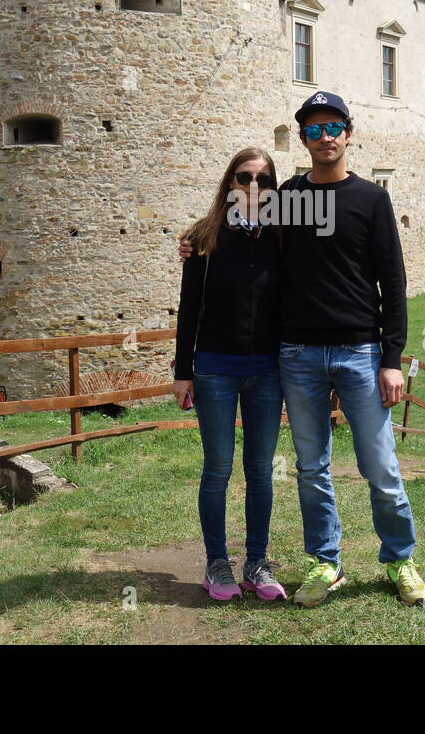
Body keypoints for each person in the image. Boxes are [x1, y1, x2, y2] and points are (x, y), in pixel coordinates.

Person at [180, 92, 425, 608]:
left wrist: (392, 358)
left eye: (333, 127)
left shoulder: (371, 199)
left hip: (361, 352)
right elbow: (233, 221)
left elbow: (393, 279)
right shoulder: (289, 198)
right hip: (296, 354)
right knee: (311, 467)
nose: (325, 138)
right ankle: (326, 561)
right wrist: (193, 239)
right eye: (314, 130)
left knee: (380, 466)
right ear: (303, 140)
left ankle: (400, 559)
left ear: (348, 132)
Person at [173, 147, 288, 602]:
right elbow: (189, 310)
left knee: (260, 471)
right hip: (216, 369)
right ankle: (216, 562)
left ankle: (256, 562)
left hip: (268, 370)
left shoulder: (284, 235)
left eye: (263, 178)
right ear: (230, 183)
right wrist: (184, 371)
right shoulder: (204, 237)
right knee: (217, 469)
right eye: (244, 177)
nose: (253, 186)